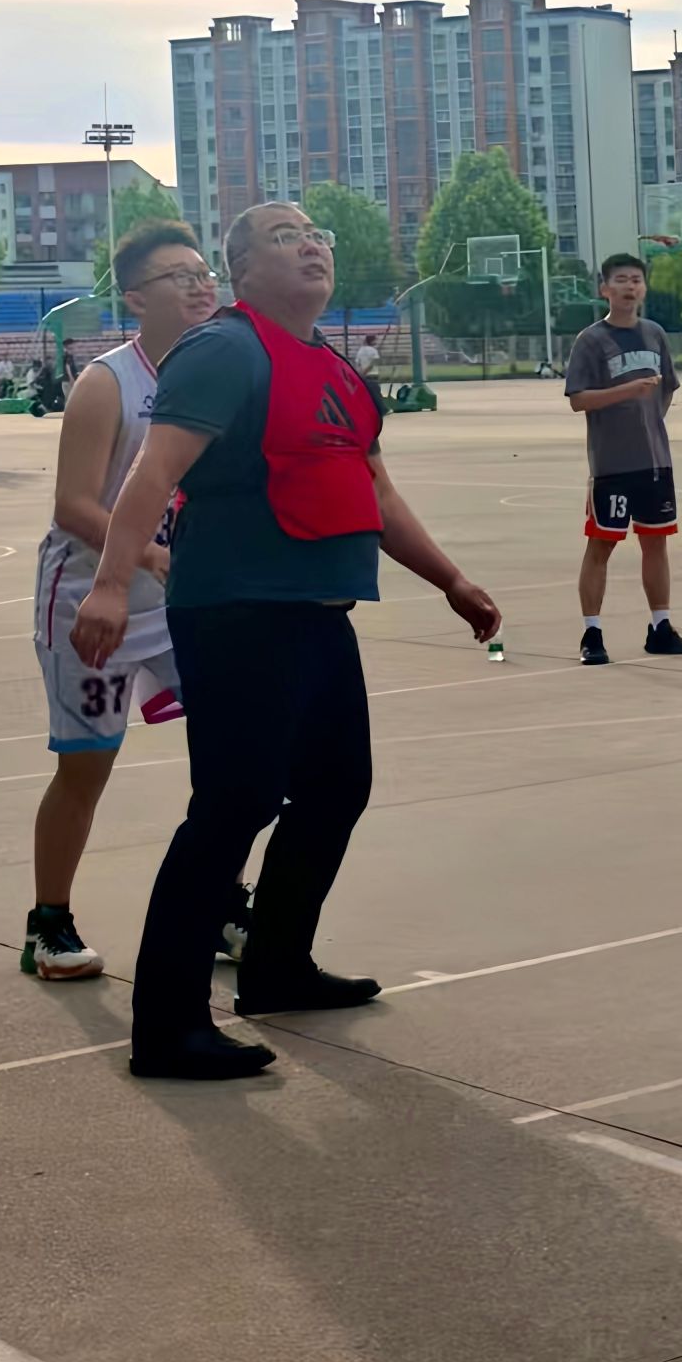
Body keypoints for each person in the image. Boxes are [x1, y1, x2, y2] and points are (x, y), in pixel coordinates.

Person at [72, 202, 501, 1080]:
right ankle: (167, 1025)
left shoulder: (337, 370)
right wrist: (111, 583)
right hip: (237, 610)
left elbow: (376, 493)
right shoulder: (225, 350)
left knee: (338, 787)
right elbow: (154, 471)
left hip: (317, 612)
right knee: (233, 804)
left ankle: (275, 963)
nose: (310, 245)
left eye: (317, 236)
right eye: (284, 236)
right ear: (240, 269)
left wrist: (451, 579)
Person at [25, 221, 253, 981]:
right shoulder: (108, 383)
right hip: (90, 596)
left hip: (184, 601)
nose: (199, 286)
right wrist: (147, 556)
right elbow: (72, 505)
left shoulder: (217, 371)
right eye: (177, 277)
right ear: (134, 297)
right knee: (87, 764)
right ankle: (48, 924)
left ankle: (223, 904)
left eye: (203, 274)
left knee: (231, 753)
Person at [564, 252, 682, 664]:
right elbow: (578, 399)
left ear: (644, 288)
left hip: (654, 462)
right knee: (601, 545)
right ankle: (592, 633)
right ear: (605, 289)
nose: (630, 286)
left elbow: (667, 389)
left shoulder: (655, 334)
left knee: (656, 544)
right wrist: (628, 392)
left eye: (636, 279)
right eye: (621, 279)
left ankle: (660, 626)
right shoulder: (591, 340)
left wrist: (649, 419)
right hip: (611, 466)